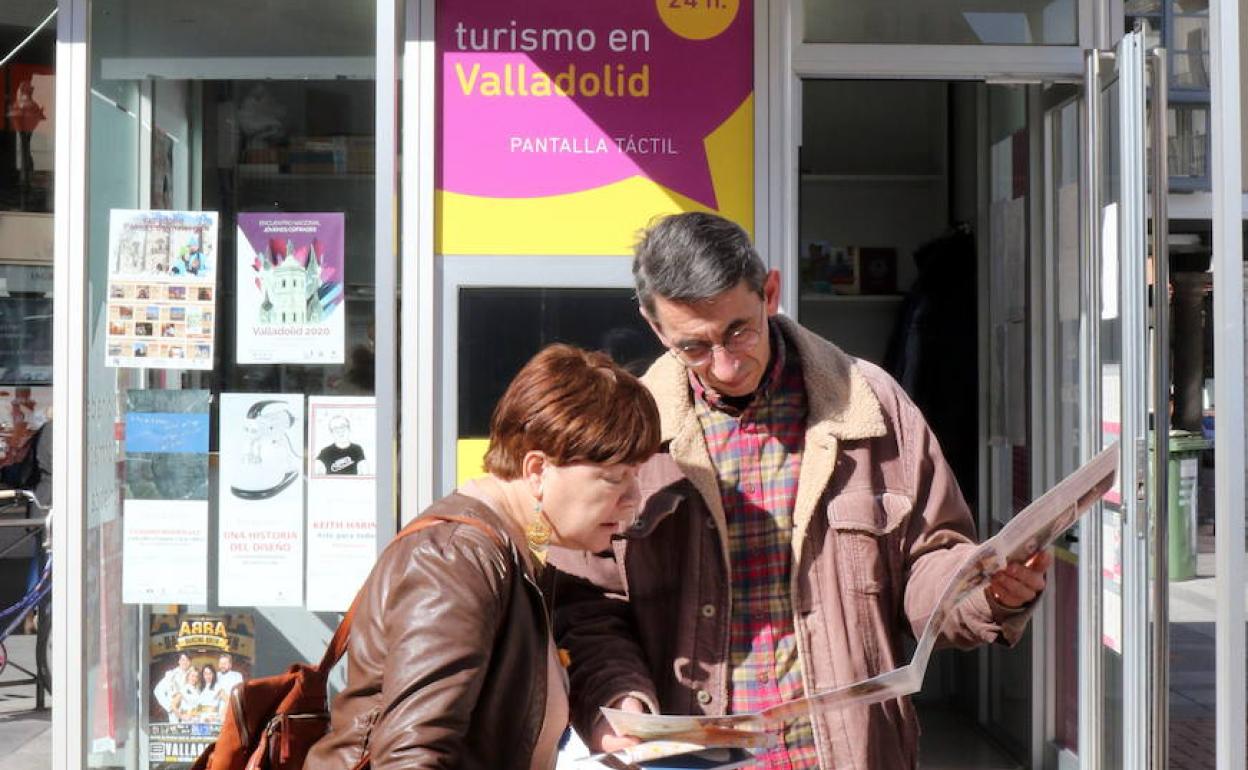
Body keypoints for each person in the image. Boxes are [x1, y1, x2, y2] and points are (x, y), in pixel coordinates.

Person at [548, 212, 1051, 769]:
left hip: (844, 754)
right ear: (655, 326)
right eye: (694, 347)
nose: (725, 363)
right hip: (691, 760)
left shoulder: (874, 407)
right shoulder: (633, 437)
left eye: (739, 330)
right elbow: (590, 607)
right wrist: (620, 703)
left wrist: (987, 592)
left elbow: (929, 561)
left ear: (770, 292)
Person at [305, 344, 661, 770]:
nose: (633, 499)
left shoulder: (518, 547)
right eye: (615, 478)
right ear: (536, 470)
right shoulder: (457, 560)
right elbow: (410, 758)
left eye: (636, 477)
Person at [153, 653, 193, 721]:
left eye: (187, 660)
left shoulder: (193, 674)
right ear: (179, 661)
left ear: (190, 662)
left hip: (190, 712)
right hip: (175, 713)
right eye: (183, 660)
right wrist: (169, 706)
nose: (185, 662)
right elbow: (158, 691)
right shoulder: (171, 674)